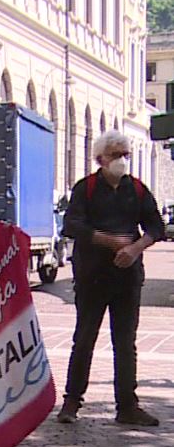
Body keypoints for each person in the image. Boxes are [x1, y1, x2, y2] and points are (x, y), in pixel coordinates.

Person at [57, 130, 165, 426]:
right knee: (84, 338)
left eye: (125, 155)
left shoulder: (138, 190)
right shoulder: (86, 188)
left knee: (125, 342)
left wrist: (135, 247)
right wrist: (107, 240)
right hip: (92, 276)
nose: (121, 161)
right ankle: (71, 402)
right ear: (100, 159)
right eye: (116, 155)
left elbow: (156, 226)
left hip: (127, 277)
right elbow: (72, 225)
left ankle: (127, 406)